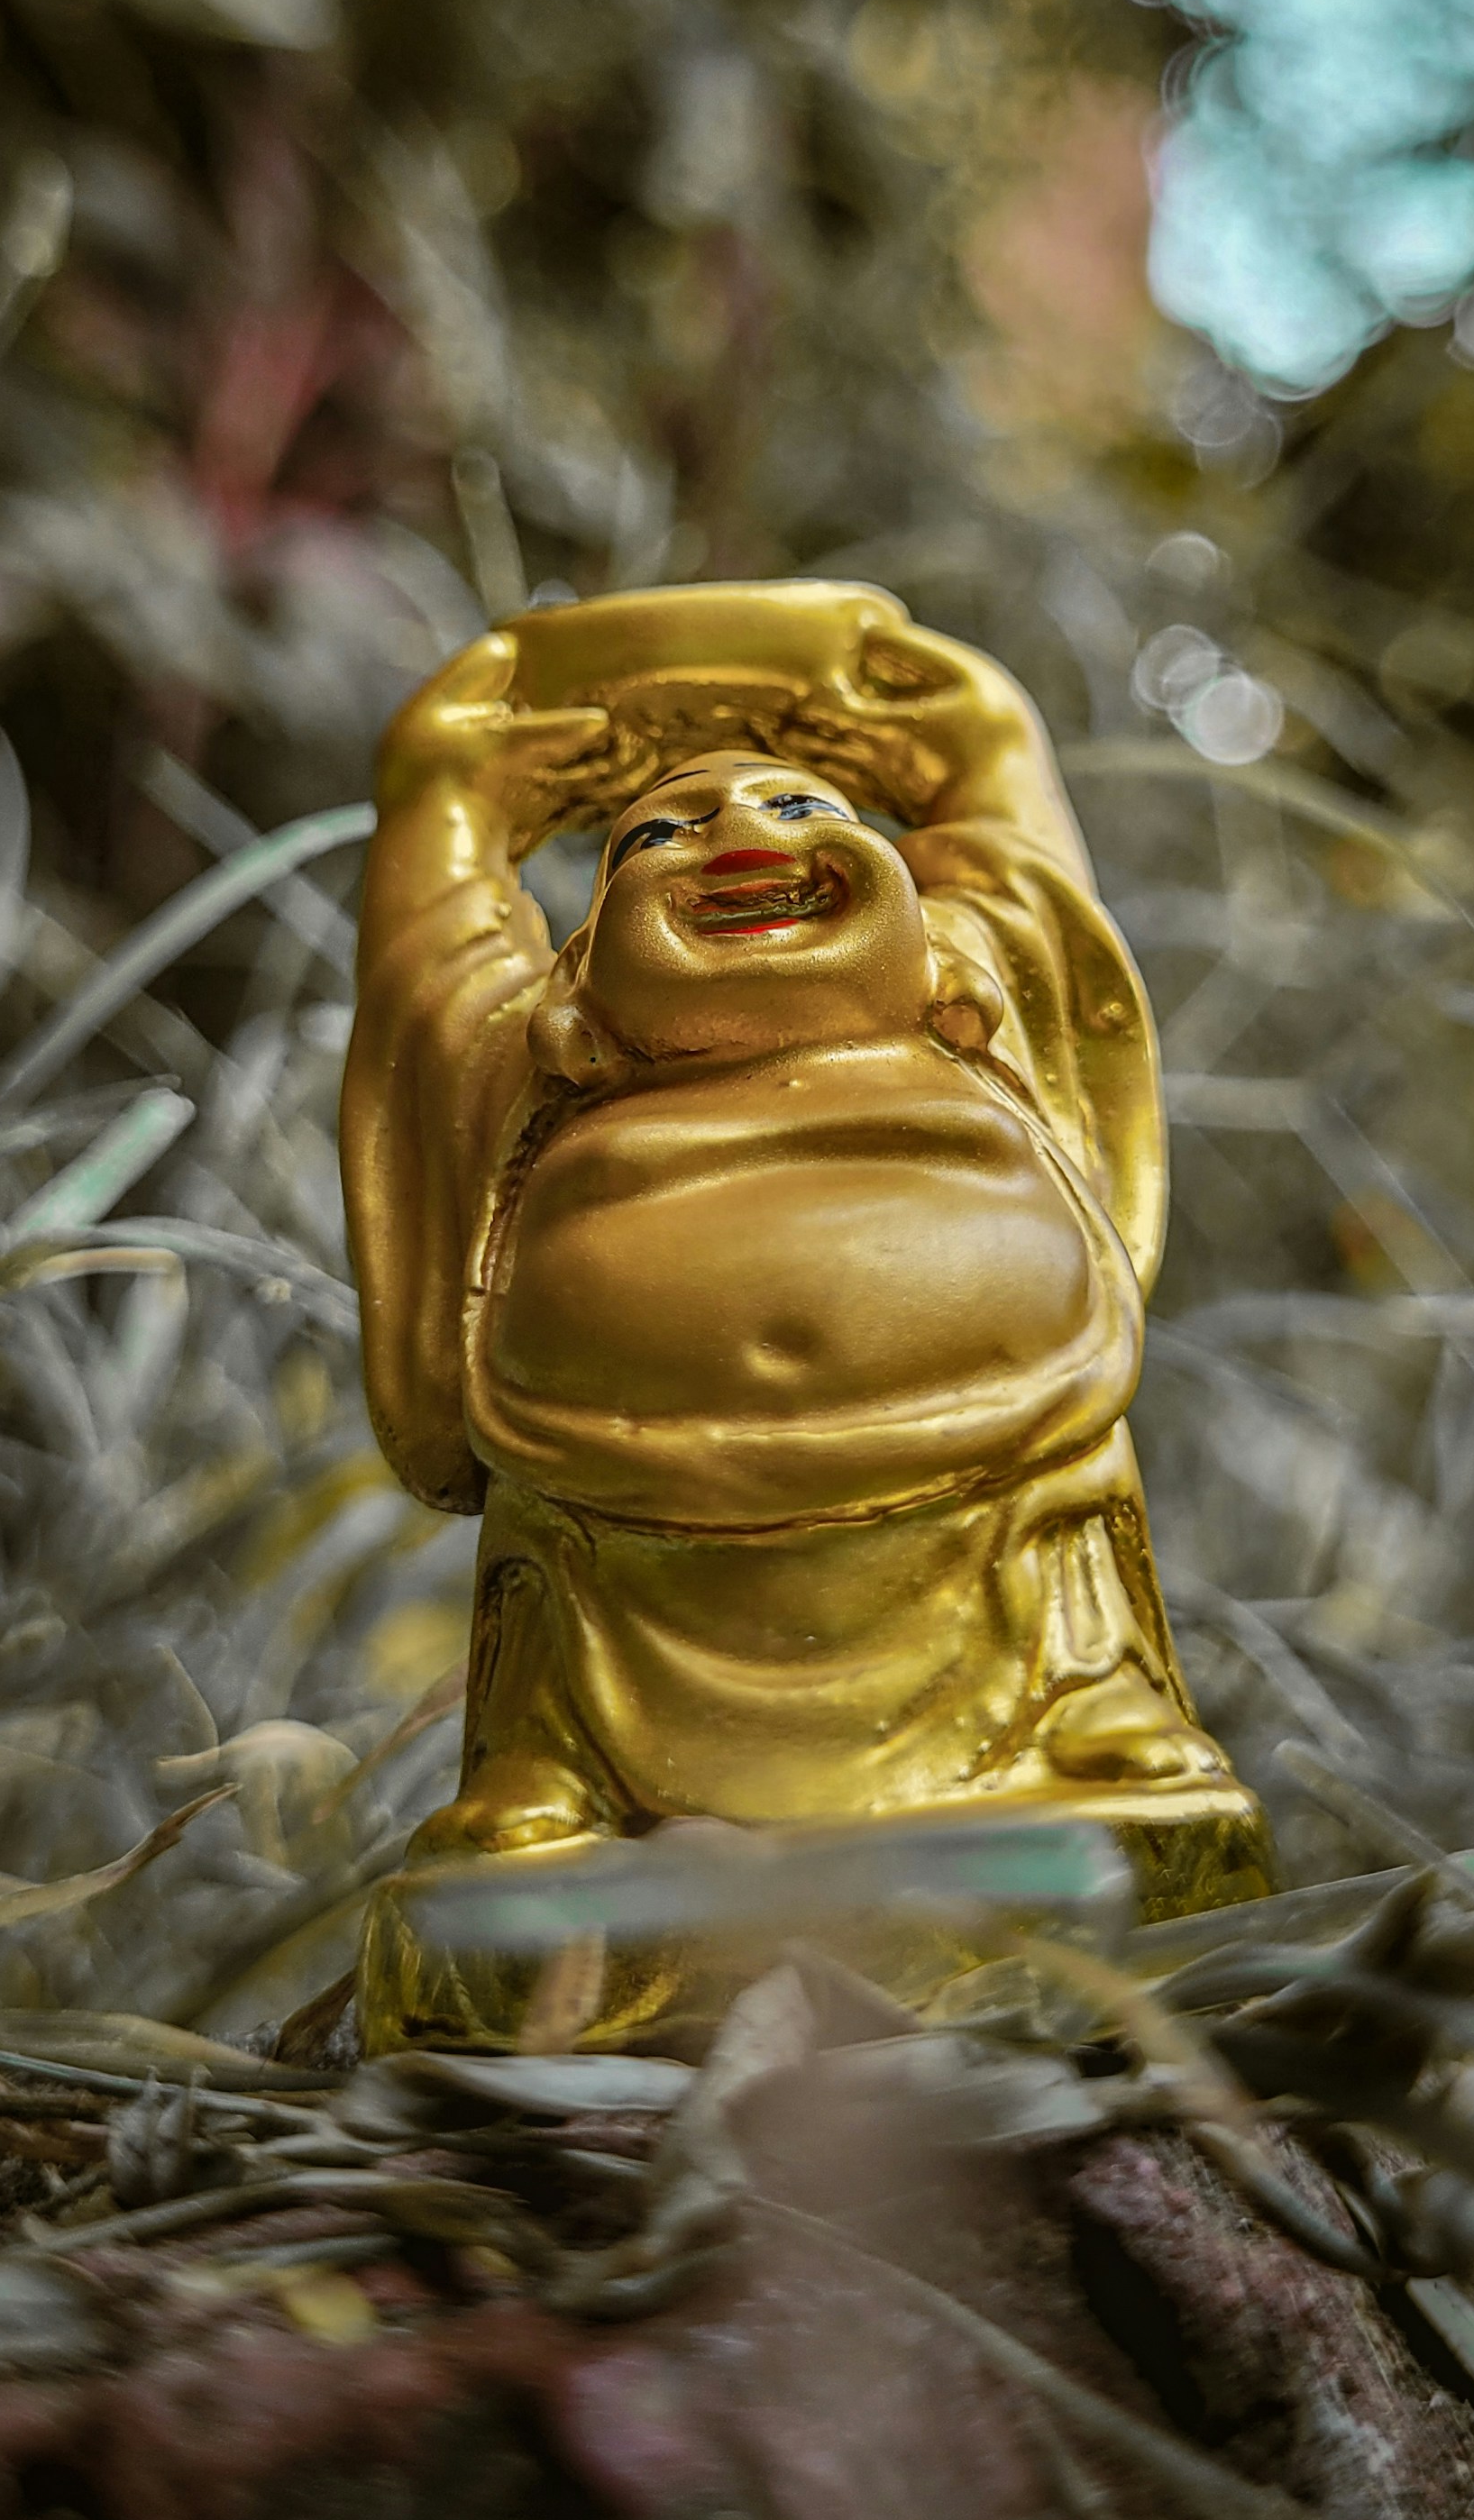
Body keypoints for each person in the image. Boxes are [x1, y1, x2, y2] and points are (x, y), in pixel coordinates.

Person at [342, 580, 1264, 1990]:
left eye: (795, 807)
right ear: (580, 981)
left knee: (1073, 1501)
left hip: (1005, 1480)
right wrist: (441, 795)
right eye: (661, 833)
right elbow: (435, 962)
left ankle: (1087, 1704)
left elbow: (1022, 866)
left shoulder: (974, 1005)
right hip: (620, 1528)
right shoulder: (541, 1072)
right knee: (550, 1569)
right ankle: (557, 1773)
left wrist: (981, 737)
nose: (739, 837)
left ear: (930, 944)